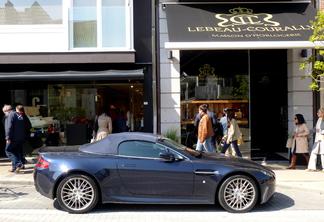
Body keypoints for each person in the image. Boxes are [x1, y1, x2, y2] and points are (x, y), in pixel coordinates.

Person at [4, 105, 31, 173]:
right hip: (21, 138)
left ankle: (18, 164)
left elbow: (9, 127)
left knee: (8, 150)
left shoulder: (11, 115)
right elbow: (28, 125)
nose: (4, 114)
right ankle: (15, 167)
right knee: (16, 151)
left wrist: (8, 137)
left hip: (13, 138)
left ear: (7, 111)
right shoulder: (20, 115)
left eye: (4, 112)